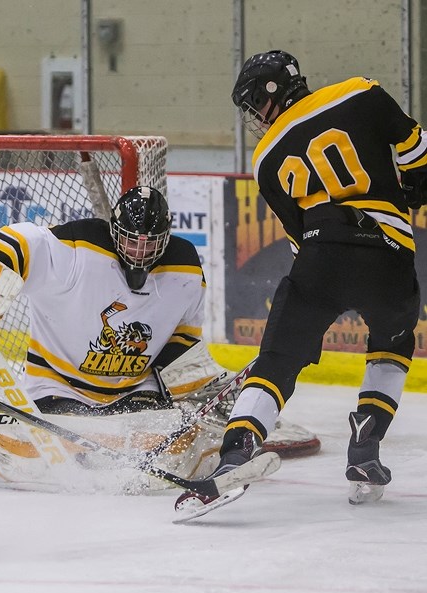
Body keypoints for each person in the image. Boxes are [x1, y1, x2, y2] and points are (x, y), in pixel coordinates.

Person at [175, 50, 426, 518]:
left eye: (254, 102)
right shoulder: (362, 90)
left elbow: (297, 238)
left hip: (319, 255)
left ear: (273, 90)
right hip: (388, 254)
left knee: (276, 364)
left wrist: (301, 309)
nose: (253, 115)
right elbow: (416, 145)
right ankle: (365, 446)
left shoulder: (267, 156)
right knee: (391, 348)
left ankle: (236, 452)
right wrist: (416, 185)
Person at [0, 185, 229, 490]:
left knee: (174, 431)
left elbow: (183, 338)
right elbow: (14, 242)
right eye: (131, 241)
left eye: (150, 244)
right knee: (133, 440)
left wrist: (193, 394)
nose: (140, 252)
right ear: (114, 230)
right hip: (59, 387)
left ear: (166, 238)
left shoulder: (185, 267)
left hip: (135, 390)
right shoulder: (77, 249)